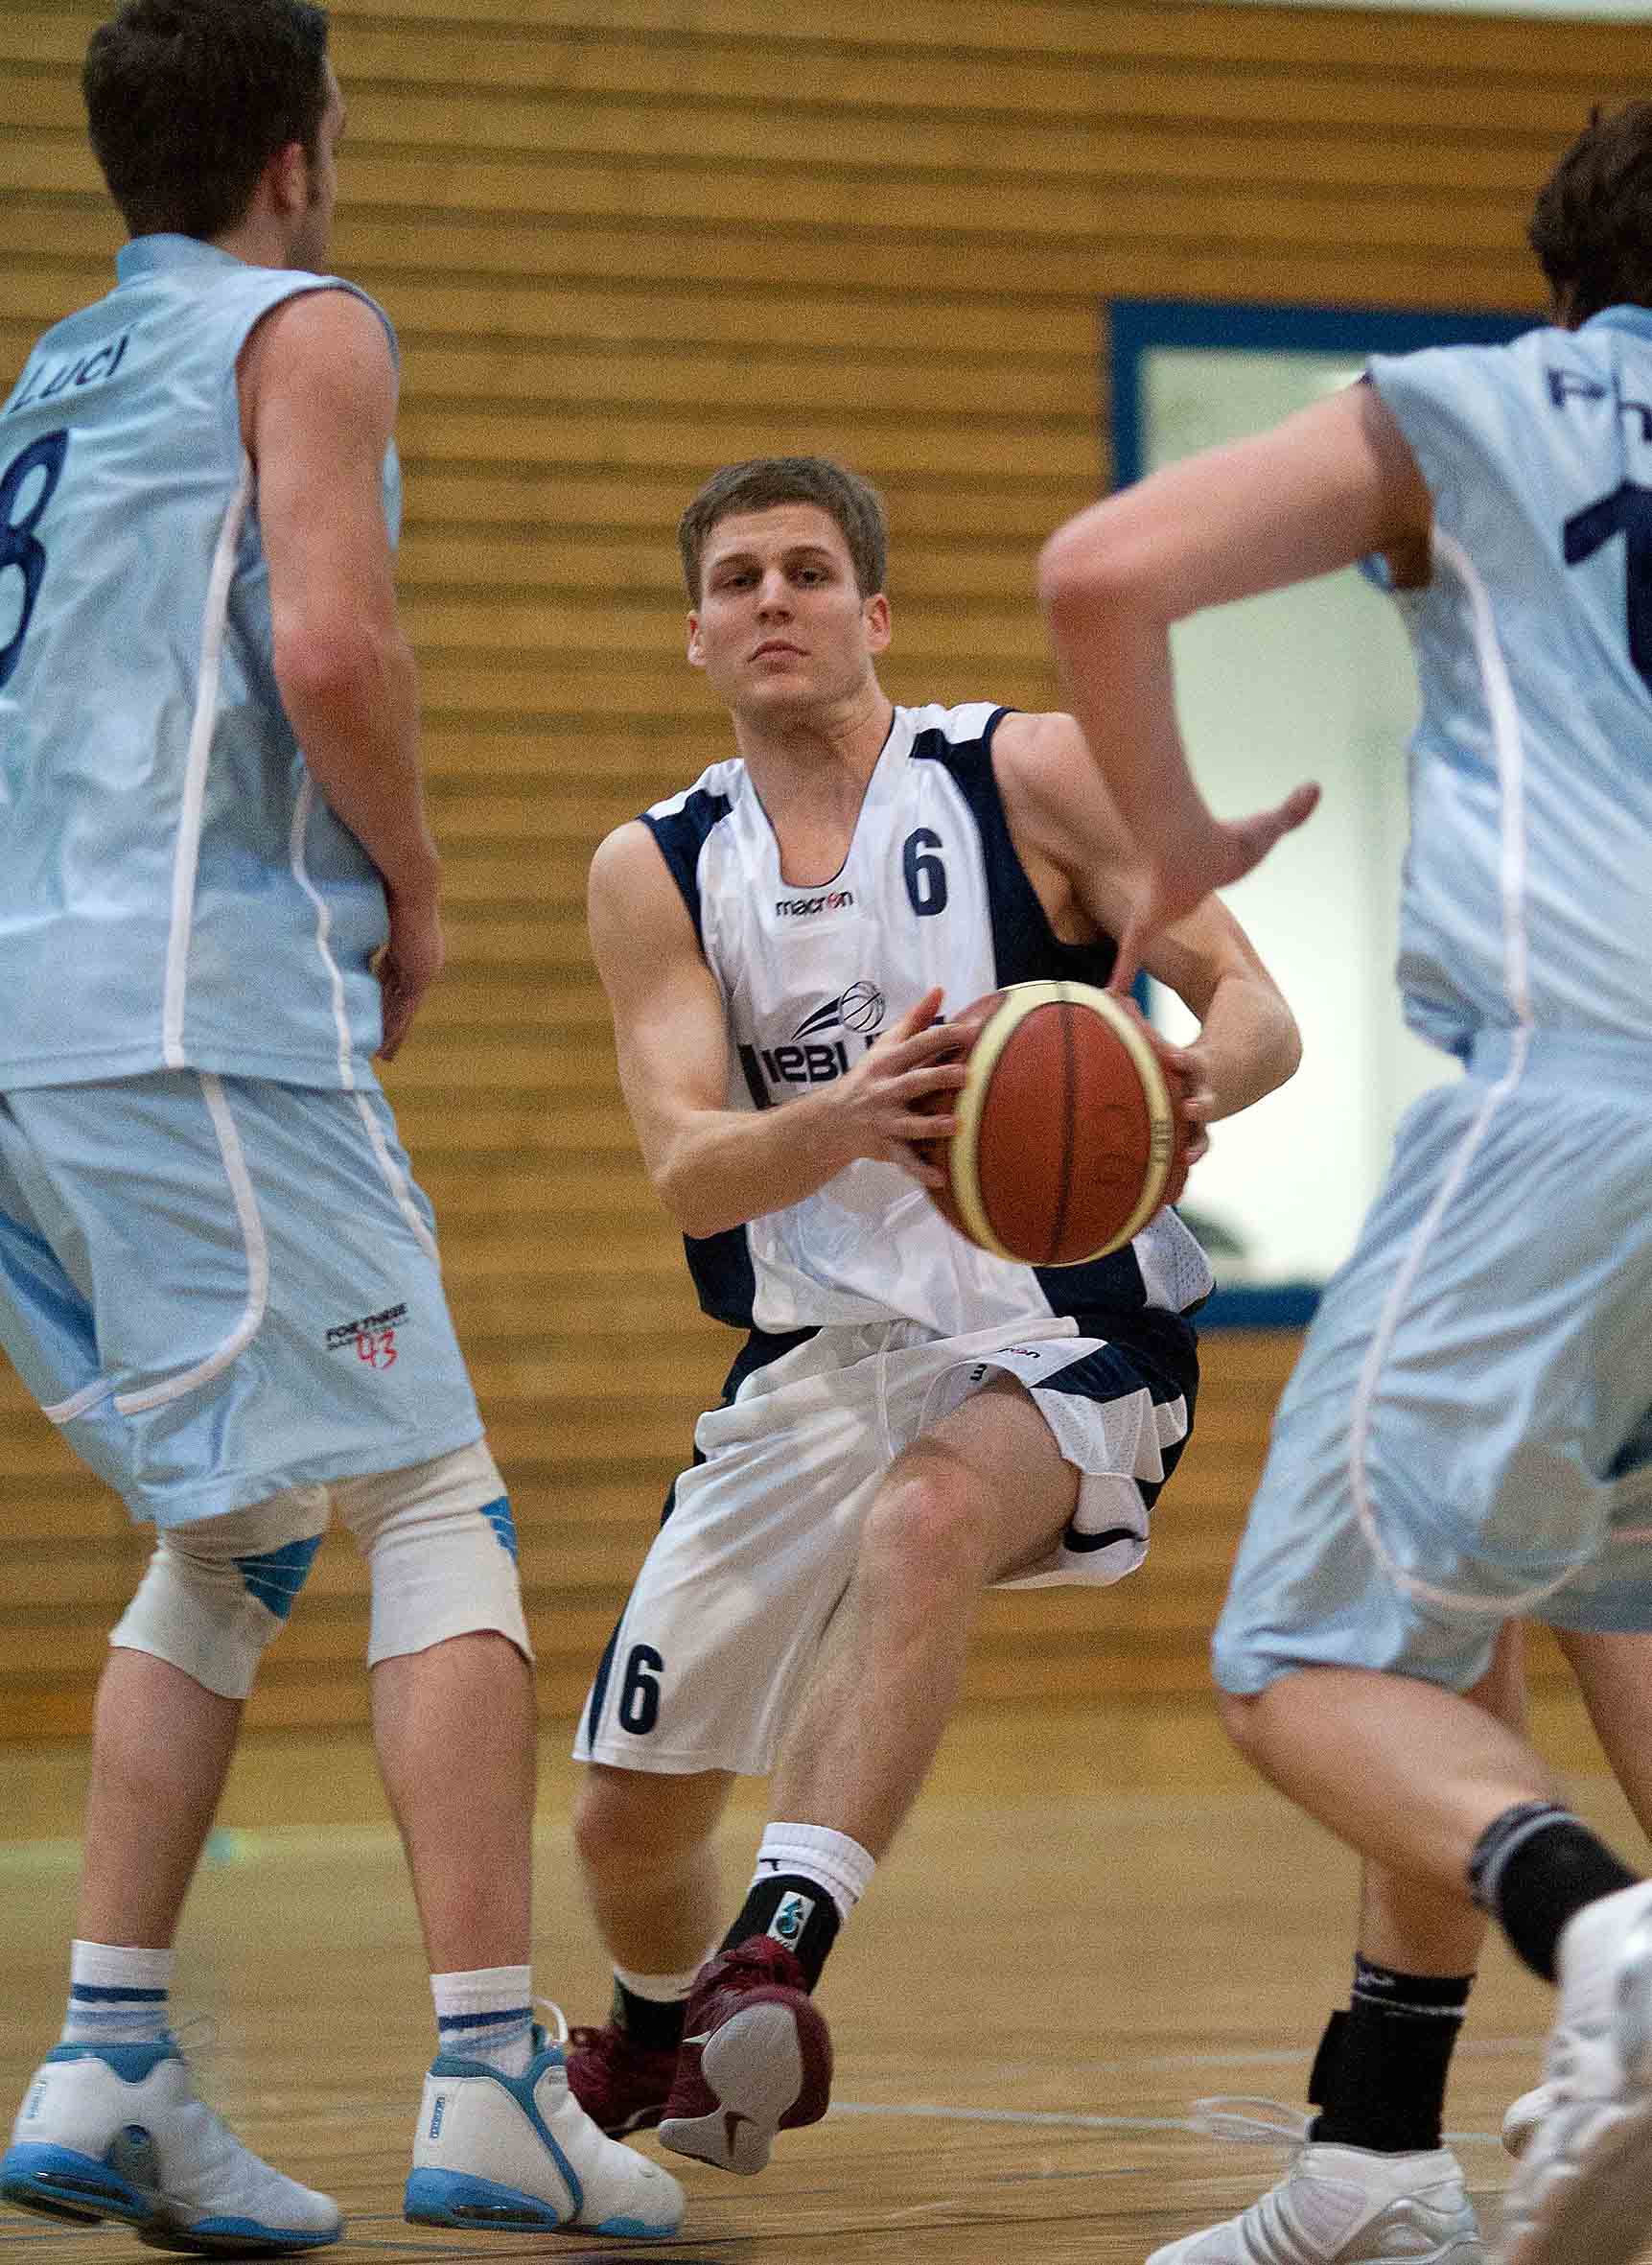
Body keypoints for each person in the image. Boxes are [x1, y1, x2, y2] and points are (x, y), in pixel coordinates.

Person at [0, 0, 683, 2250]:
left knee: (241, 1524)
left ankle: (110, 2058)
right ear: (295, 156)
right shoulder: (303, 327)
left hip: (31, 1021)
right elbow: (331, 650)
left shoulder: (52, 378)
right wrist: (417, 883)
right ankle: (494, 2076)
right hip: (192, 1007)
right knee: (434, 1493)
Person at [1037, 101, 1652, 2265]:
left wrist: (1173, 836)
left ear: (1568, 283)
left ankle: (1610, 1944)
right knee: (1557, 1585)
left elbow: (1102, 571)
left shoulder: (1492, 405)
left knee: (1304, 1656)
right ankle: (1377, 2154)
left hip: (1574, 1091)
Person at [560, 453, 1302, 2176]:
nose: (773, 600)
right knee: (622, 1821)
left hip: (1063, 1320)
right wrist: (849, 1115)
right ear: (695, 635)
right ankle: (668, 2039)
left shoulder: (1025, 772)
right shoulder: (658, 868)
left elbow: (1257, 1003)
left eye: (809, 571)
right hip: (817, 1349)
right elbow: (687, 1169)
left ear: (874, 612)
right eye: (737, 579)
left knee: (929, 1517)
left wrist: (1189, 1084)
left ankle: (777, 1956)